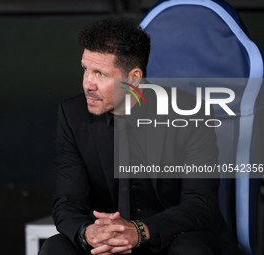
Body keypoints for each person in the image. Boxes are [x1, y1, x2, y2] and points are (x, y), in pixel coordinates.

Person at [39, 17, 240, 255]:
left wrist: (141, 231)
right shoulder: (73, 115)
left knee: (191, 250)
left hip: (171, 239)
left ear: (133, 78)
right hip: (106, 245)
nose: (87, 84)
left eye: (100, 74)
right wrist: (88, 233)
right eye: (85, 69)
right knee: (56, 247)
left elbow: (200, 204)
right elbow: (68, 202)